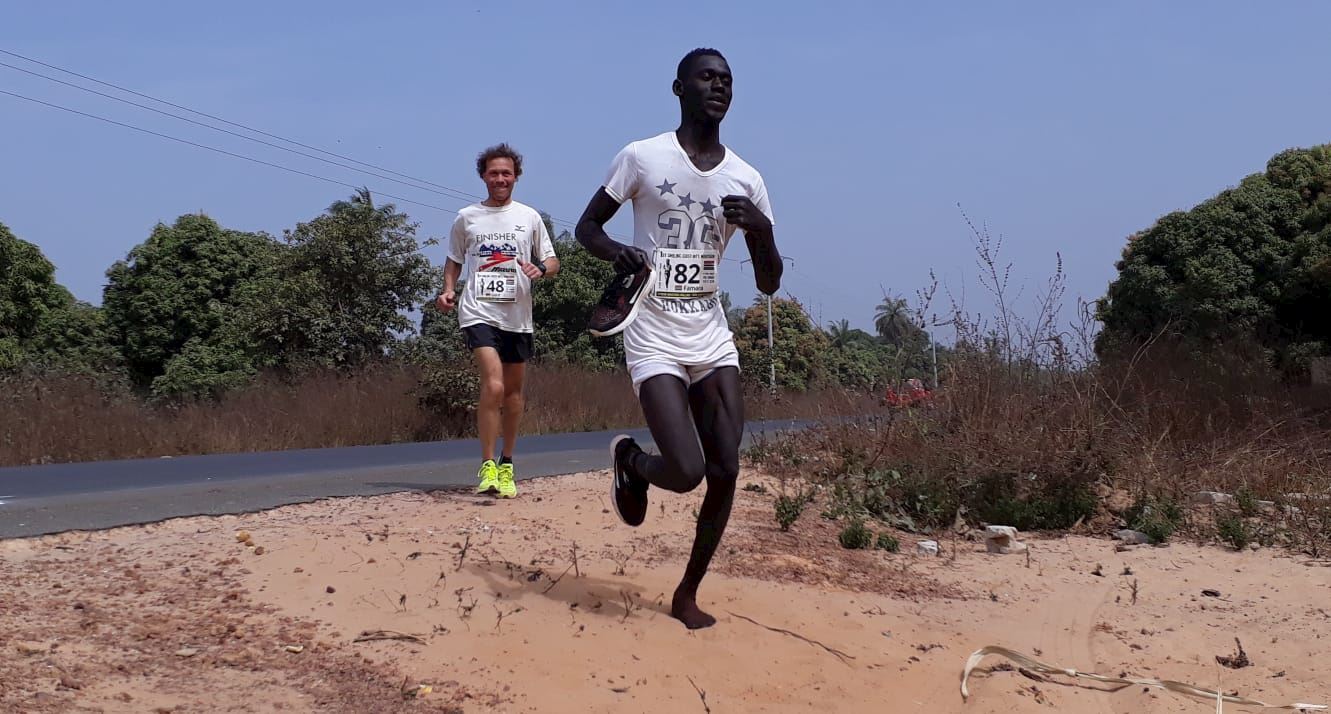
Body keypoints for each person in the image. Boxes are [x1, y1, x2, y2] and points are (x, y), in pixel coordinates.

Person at [575, 48, 782, 629]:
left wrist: (761, 231)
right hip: (653, 332)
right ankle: (633, 462)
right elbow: (586, 227)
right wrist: (621, 251)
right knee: (687, 470)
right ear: (679, 88)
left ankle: (687, 593)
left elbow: (768, 283)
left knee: (726, 468)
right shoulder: (643, 157)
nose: (718, 87)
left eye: (727, 81)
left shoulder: (748, 178)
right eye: (707, 78)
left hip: (710, 334)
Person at [437, 143, 559, 499]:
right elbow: (454, 259)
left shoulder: (529, 217)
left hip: (517, 315)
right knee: (493, 385)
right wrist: (448, 290)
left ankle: (507, 463)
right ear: (483, 177)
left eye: (506, 173)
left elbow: (553, 262)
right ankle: (487, 465)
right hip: (478, 310)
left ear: (516, 177)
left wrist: (541, 268)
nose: (500, 179)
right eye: (494, 173)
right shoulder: (467, 217)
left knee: (513, 393)